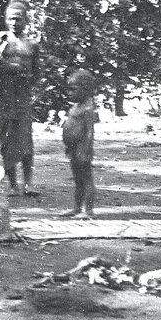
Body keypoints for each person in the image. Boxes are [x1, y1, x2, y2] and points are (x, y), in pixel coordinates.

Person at [0, 0, 41, 196]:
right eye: (10, 19)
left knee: (26, 139)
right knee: (6, 139)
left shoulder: (32, 45)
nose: (14, 23)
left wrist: (25, 80)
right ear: (5, 19)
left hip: (22, 95)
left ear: (26, 20)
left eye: (18, 19)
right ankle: (13, 185)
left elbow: (37, 73)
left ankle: (28, 184)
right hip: (4, 95)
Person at [61, 69, 99, 218]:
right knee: (78, 179)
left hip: (82, 148)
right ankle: (77, 208)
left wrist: (86, 149)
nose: (69, 93)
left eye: (73, 89)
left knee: (86, 178)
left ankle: (89, 211)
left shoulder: (88, 108)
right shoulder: (76, 106)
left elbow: (90, 131)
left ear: (85, 89)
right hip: (73, 147)